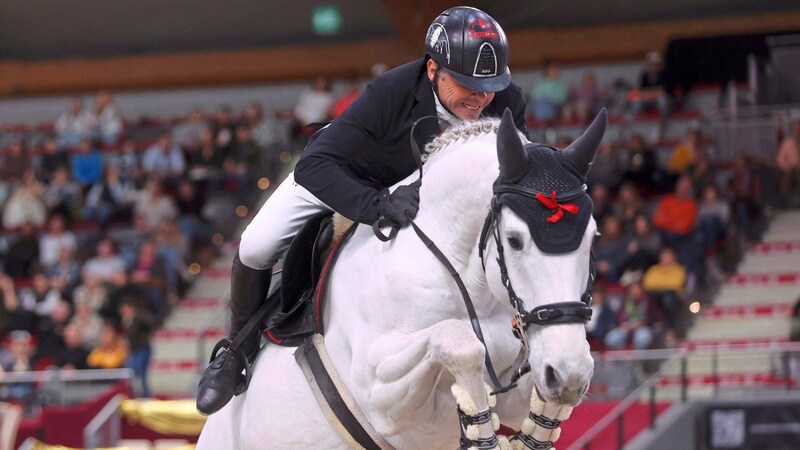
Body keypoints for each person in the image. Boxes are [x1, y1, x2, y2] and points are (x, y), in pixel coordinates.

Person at [196, 5, 527, 415]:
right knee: (256, 245)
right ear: (431, 71)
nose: (481, 98)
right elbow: (315, 167)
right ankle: (236, 351)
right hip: (342, 173)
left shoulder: (506, 100)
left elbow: (507, 179)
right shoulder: (390, 91)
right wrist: (375, 205)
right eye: (466, 85)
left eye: (489, 86)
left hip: (414, 187)